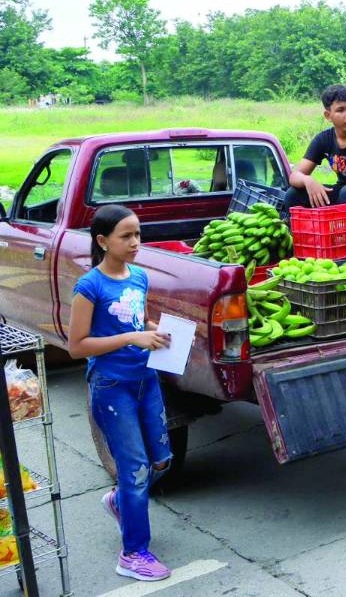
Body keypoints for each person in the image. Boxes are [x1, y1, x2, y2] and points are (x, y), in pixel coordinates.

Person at [66, 205, 173, 582]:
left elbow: (136, 319)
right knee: (136, 470)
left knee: (162, 462)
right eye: (126, 236)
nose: (135, 242)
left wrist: (154, 331)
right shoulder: (89, 286)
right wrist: (131, 337)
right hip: (112, 387)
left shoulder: (139, 277)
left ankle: (120, 501)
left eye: (138, 234)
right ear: (102, 241)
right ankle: (133, 554)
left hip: (147, 380)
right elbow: (77, 346)